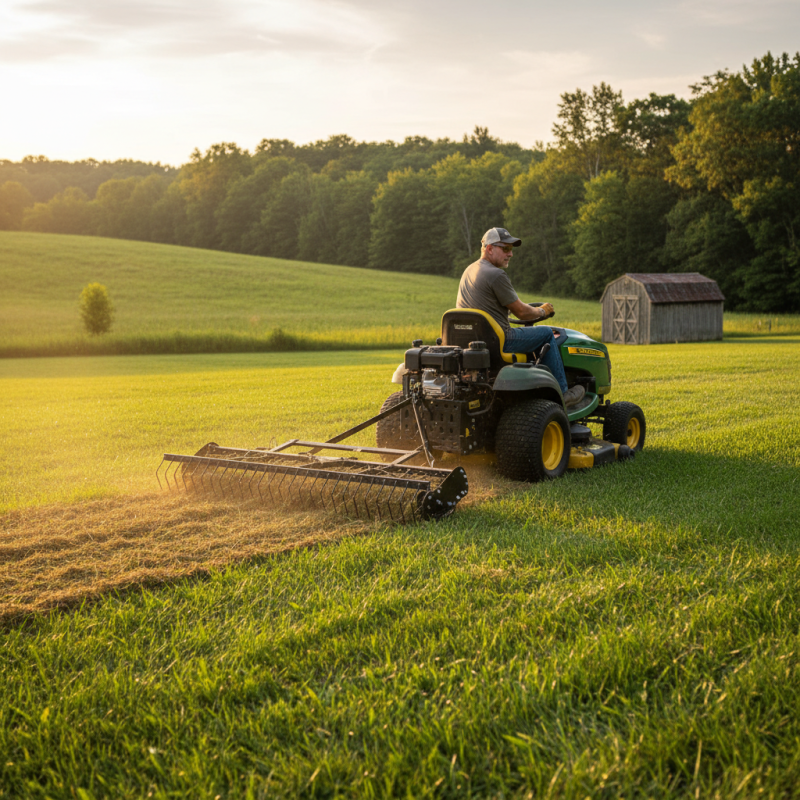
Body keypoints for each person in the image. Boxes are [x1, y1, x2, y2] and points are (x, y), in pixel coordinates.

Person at [456, 226, 586, 407]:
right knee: (547, 334)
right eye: (506, 249)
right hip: (500, 341)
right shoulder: (496, 274)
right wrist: (543, 311)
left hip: (475, 343)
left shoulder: (469, 270)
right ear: (490, 248)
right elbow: (523, 312)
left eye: (511, 249)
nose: (510, 254)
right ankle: (563, 393)